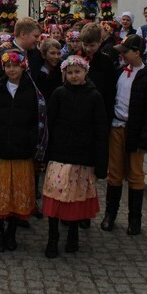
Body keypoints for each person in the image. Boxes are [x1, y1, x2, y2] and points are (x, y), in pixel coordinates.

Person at [0, 50, 48, 252]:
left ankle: (11, 232)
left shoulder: (31, 90)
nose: (12, 70)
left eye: (16, 66)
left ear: (23, 66)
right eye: (8, 66)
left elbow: (36, 118)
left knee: (16, 193)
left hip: (21, 150)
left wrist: (30, 139)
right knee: (0, 192)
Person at [42, 55, 108, 258]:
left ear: (85, 72)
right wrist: (45, 154)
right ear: (64, 74)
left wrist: (100, 162)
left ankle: (73, 234)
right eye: (70, 72)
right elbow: (49, 125)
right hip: (59, 155)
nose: (74, 76)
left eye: (77, 72)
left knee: (75, 200)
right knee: (55, 197)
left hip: (83, 156)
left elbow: (101, 131)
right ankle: (52, 238)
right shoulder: (59, 94)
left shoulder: (94, 96)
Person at [101, 34, 147, 236]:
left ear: (137, 52)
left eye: (126, 52)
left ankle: (135, 220)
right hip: (117, 128)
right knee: (115, 173)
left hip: (135, 131)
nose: (123, 55)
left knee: (135, 175)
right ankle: (110, 214)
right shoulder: (119, 73)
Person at [0, 17, 42, 82]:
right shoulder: (2, 54)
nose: (38, 40)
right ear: (23, 34)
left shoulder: (36, 53)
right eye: (36, 36)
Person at [36, 38, 63, 103]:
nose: (56, 56)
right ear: (43, 55)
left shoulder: (62, 71)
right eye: (52, 53)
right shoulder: (37, 73)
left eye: (58, 53)